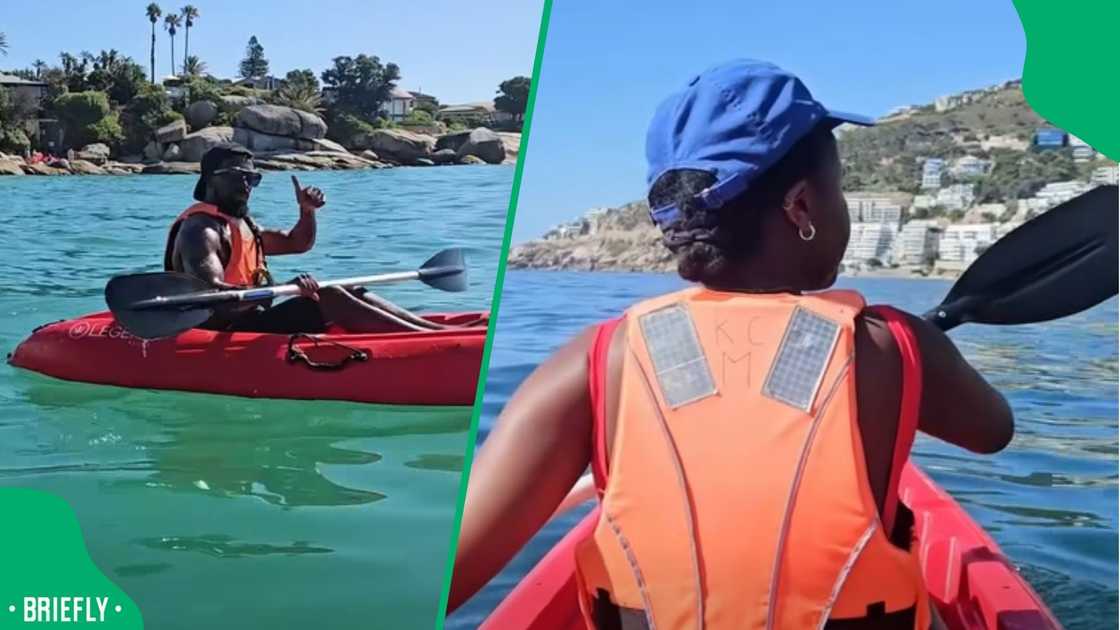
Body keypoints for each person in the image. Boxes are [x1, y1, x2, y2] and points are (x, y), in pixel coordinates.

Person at [449, 60, 1013, 629]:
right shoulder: (892, 344)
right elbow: (993, 430)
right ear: (801, 206)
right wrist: (921, 352)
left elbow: (446, 572)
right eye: (838, 189)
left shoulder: (594, 359)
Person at [165, 143, 445, 333]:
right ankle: (434, 341)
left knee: (352, 291)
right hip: (221, 331)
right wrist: (285, 288)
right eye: (240, 176)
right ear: (211, 178)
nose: (247, 185)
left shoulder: (242, 225)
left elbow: (297, 243)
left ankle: (435, 331)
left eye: (254, 178)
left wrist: (307, 211)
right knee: (329, 295)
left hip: (251, 319)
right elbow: (213, 298)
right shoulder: (200, 231)